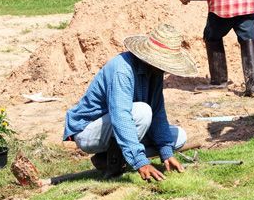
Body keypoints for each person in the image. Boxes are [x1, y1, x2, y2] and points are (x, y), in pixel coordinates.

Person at [63, 24, 197, 181]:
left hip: (119, 126)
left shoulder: (155, 72)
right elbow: (121, 116)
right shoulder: (122, 70)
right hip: (87, 132)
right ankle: (116, 159)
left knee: (179, 137)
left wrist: (166, 152)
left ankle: (109, 158)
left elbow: (158, 112)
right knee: (142, 112)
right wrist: (140, 162)